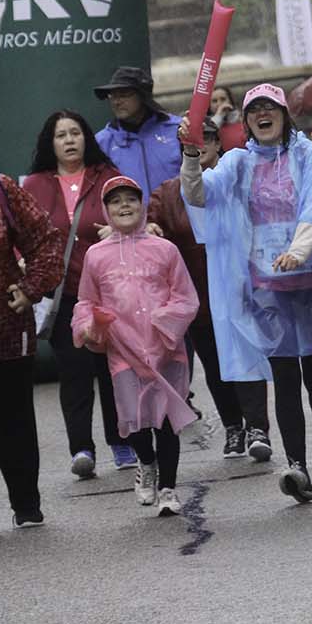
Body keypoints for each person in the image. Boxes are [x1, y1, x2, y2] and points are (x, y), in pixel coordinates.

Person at [181, 84, 312, 502]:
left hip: (309, 279)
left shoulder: (308, 155)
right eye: (254, 110)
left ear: (283, 114)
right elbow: (199, 194)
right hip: (265, 287)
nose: (263, 115)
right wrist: (190, 155)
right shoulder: (237, 162)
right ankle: (296, 466)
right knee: (284, 377)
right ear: (245, 121)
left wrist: (298, 252)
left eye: (270, 108)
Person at [72, 177, 200, 517]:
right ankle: (146, 462)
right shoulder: (96, 256)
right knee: (134, 421)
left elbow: (185, 297)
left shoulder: (165, 250)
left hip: (165, 349)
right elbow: (86, 300)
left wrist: (165, 322)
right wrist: (89, 325)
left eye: (131, 199)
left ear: (142, 205)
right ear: (105, 209)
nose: (124, 206)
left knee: (165, 421)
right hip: (123, 352)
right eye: (116, 201)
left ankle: (169, 488)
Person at [0, 123, 63, 532]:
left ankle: (26, 503)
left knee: (12, 419)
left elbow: (46, 241)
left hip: (5, 326)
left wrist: (30, 289)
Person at [23, 110, 137, 478]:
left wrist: (120, 232)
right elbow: (20, 235)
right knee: (74, 371)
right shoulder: (35, 185)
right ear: (50, 143)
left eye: (75, 133)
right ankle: (81, 449)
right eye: (61, 135)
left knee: (112, 369)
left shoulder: (108, 176)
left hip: (110, 291)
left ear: (87, 137)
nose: (70, 140)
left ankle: (122, 442)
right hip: (62, 295)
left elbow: (135, 216)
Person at [148, 121, 261, 460]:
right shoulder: (168, 192)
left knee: (247, 358)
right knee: (215, 366)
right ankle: (232, 426)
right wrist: (152, 227)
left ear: (218, 142)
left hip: (240, 286)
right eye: (194, 140)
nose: (203, 143)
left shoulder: (238, 178)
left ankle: (257, 426)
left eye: (208, 137)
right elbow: (154, 221)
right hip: (198, 293)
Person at [94, 65, 182, 199]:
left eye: (123, 94)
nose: (116, 102)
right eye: (112, 96)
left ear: (143, 96)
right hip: (131, 219)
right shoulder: (102, 142)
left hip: (180, 218)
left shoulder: (178, 129)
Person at [209, 85, 246, 152]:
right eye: (214, 101)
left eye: (223, 99)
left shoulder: (243, 121)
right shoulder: (206, 125)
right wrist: (218, 116)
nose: (219, 103)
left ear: (230, 101)